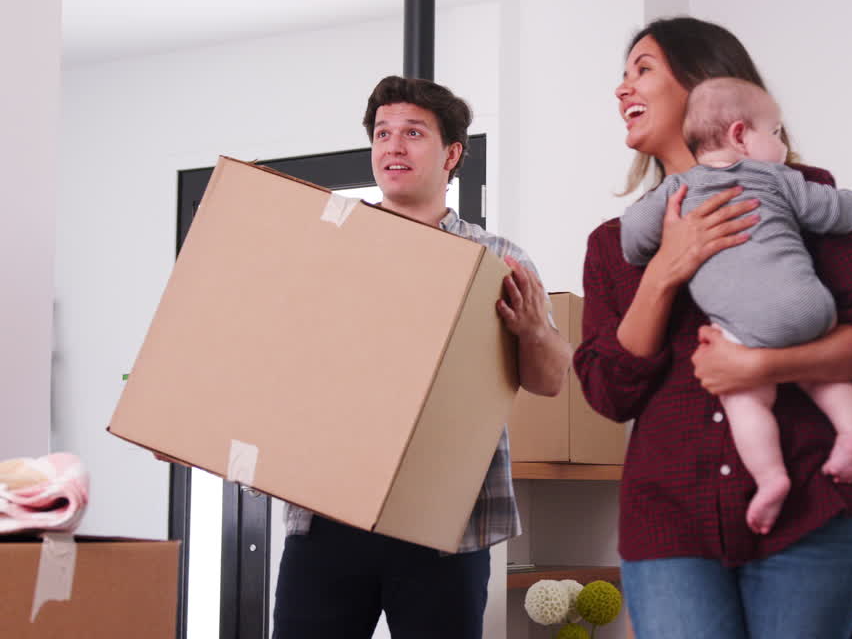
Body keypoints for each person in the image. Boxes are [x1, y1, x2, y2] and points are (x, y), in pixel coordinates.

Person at [157, 76, 573, 639]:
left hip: (445, 524)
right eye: (382, 134)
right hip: (326, 515)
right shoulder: (324, 248)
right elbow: (263, 357)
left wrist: (530, 331)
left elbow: (549, 382)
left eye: (413, 133)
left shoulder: (496, 260)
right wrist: (191, 420)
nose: (393, 147)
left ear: (452, 154)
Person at [574, 17, 852, 639]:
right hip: (668, 527)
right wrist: (664, 272)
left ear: (706, 85)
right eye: (622, 76)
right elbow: (608, 393)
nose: (622, 89)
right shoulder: (616, 245)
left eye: (643, 70)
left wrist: (766, 368)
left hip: (810, 511)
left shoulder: (800, 194)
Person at [619, 77, 852, 536]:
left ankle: (771, 478)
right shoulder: (778, 177)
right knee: (826, 371)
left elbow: (632, 241)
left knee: (743, 398)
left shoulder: (678, 189)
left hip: (745, 328)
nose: (781, 143)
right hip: (809, 306)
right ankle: (851, 432)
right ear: (740, 135)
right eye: (774, 133)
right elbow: (833, 211)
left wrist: (662, 231)